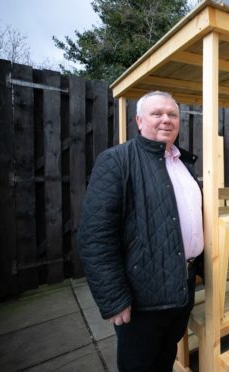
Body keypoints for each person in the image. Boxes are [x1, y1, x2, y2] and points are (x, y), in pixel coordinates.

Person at [77, 91, 204, 371]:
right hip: (142, 300)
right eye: (157, 114)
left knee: (165, 360)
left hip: (183, 287)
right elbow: (95, 238)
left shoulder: (183, 162)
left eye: (172, 114)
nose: (166, 120)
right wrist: (114, 299)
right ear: (138, 120)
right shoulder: (116, 161)